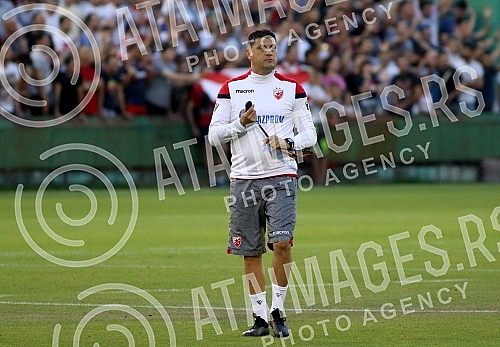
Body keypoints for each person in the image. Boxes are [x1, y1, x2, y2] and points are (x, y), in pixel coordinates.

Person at [208, 29, 317, 338]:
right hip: (243, 179)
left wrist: (288, 141)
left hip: (282, 176)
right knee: (251, 252)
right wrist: (240, 124)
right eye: (263, 47)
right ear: (250, 53)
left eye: (273, 47)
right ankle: (258, 318)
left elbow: (310, 134)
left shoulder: (292, 88)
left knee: (282, 243)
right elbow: (214, 135)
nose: (270, 51)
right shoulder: (232, 89)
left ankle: (277, 310)